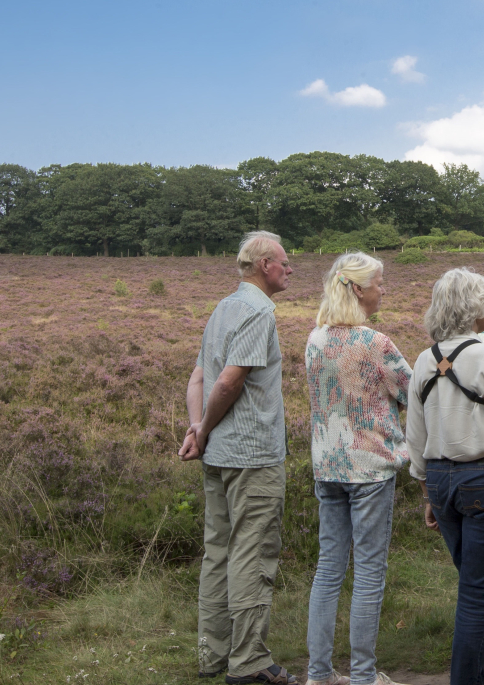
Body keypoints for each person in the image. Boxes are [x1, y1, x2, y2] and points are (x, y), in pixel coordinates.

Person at [404, 268, 484, 685]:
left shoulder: (424, 360)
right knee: (478, 593)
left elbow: (415, 436)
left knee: (471, 584)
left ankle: (472, 676)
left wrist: (428, 491)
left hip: (442, 483)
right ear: (473, 308)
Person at [179, 230, 299, 685]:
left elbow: (198, 379)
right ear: (265, 264)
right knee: (252, 553)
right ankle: (248, 663)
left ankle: (213, 655)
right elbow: (227, 381)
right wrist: (204, 429)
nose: (290, 270)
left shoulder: (223, 308)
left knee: (219, 551)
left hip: (219, 456)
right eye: (285, 263)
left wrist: (198, 430)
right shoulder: (257, 311)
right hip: (252, 457)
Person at [303, 252, 414, 685]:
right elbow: (412, 392)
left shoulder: (315, 339)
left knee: (328, 568)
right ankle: (364, 677)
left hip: (327, 464)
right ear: (358, 289)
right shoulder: (375, 343)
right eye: (379, 283)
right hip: (368, 468)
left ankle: (319, 674)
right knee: (369, 571)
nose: (383, 289)